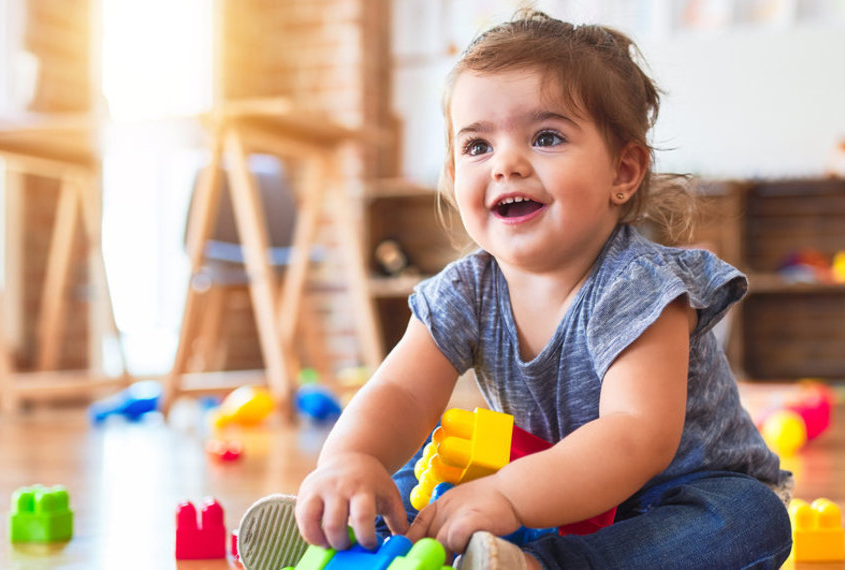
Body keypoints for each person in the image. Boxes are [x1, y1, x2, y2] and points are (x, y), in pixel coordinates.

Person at [239, 9, 793, 569]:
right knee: (420, 464)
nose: (507, 163)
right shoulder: (465, 291)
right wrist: (351, 459)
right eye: (477, 146)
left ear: (623, 172)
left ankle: (537, 564)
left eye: (546, 137)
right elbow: (402, 394)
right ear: (455, 178)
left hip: (662, 501)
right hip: (542, 487)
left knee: (750, 518)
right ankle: (348, 534)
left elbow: (633, 437)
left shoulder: (641, 287)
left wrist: (508, 496)